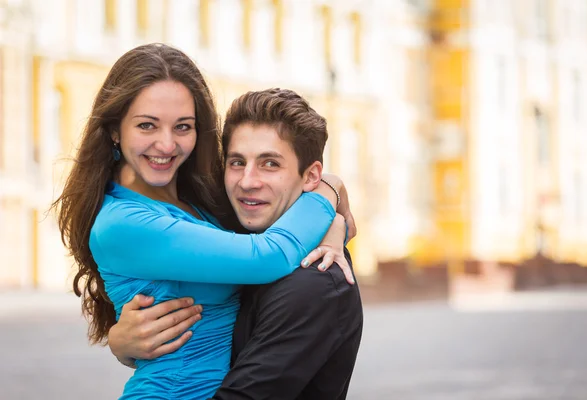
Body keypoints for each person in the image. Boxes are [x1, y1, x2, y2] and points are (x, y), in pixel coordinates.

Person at [51, 44, 355, 399]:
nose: (166, 145)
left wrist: (333, 222)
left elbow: (283, 224)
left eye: (183, 127)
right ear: (115, 130)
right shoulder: (122, 222)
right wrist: (328, 190)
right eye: (147, 125)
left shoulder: (199, 201)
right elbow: (268, 255)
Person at [109, 88, 364, 399]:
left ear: (310, 175)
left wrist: (331, 199)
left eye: (270, 164)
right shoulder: (229, 235)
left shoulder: (313, 284)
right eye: (237, 162)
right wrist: (120, 342)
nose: (247, 181)